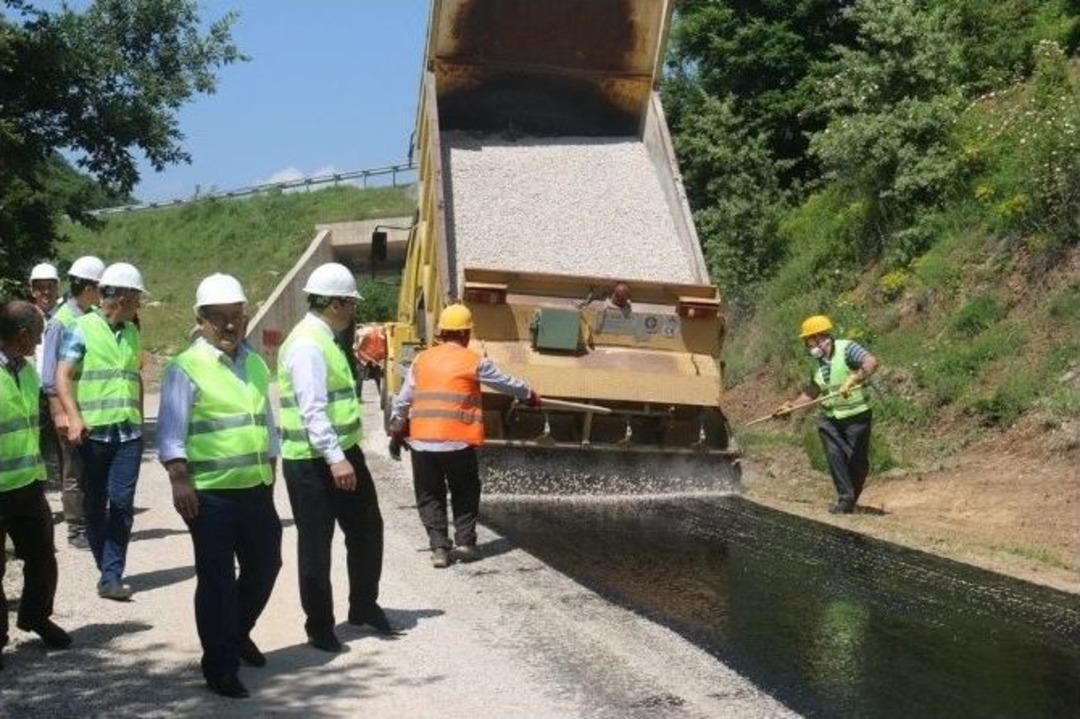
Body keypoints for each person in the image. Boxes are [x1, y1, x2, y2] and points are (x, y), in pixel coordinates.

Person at [158, 274, 282, 699]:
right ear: (202, 320)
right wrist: (179, 480)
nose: (231, 326)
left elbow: (264, 422)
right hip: (208, 494)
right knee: (217, 582)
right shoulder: (185, 367)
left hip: (255, 488)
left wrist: (272, 465)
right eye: (220, 319)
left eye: (237, 317)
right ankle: (220, 665)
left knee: (267, 566)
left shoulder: (254, 362)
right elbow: (171, 432)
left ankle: (236, 631)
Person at [278, 262, 390, 652]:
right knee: (316, 544)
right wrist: (335, 458)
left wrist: (344, 455)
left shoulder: (326, 338)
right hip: (312, 461)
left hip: (342, 452)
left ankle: (363, 606)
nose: (354, 310)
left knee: (367, 529)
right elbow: (313, 411)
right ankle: (320, 626)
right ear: (338, 303)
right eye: (351, 303)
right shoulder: (309, 344)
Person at [389, 304, 539, 569]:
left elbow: (402, 402)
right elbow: (504, 382)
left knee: (429, 495)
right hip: (458, 442)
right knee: (465, 491)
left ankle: (439, 549)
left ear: (441, 332)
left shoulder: (421, 360)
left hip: (423, 443)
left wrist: (397, 430)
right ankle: (466, 543)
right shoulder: (473, 361)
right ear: (466, 334)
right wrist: (528, 394)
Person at [55, 262, 147, 600]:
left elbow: (133, 376)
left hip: (128, 435)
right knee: (95, 505)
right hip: (94, 435)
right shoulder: (81, 328)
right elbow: (63, 376)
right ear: (122, 297)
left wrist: (139, 420)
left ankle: (111, 575)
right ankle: (105, 566)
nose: (140, 304)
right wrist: (73, 417)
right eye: (138, 297)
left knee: (122, 503)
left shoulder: (133, 331)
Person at [0, 300, 72, 671]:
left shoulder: (25, 371)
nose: (40, 341)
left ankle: (35, 616)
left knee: (43, 556)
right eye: (38, 335)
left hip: (27, 484)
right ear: (23, 334)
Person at [775, 315, 879, 514]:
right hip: (830, 418)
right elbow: (813, 391)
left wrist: (854, 379)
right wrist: (791, 405)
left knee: (858, 463)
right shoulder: (816, 363)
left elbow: (871, 362)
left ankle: (850, 499)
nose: (807, 345)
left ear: (822, 338)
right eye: (806, 341)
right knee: (834, 456)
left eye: (809, 340)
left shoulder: (847, 349)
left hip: (857, 417)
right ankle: (845, 499)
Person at [41, 256, 105, 549]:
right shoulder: (60, 321)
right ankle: (76, 529)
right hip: (69, 408)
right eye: (100, 287)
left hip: (89, 407)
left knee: (90, 468)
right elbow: (49, 375)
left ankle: (91, 523)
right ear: (90, 287)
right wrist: (59, 412)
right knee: (73, 471)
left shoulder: (91, 316)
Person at [28, 263, 62, 497]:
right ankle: (37, 500)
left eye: (50, 287)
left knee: (65, 449)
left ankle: (70, 500)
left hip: (60, 391)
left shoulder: (65, 317)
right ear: (32, 290)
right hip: (33, 392)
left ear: (57, 288)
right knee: (35, 448)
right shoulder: (25, 317)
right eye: (40, 288)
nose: (46, 293)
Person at [353, 323, 386, 400]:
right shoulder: (369, 330)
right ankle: (358, 397)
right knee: (360, 377)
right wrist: (357, 344)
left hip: (373, 357)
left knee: (377, 377)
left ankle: (381, 396)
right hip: (363, 355)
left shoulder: (381, 335)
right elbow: (357, 333)